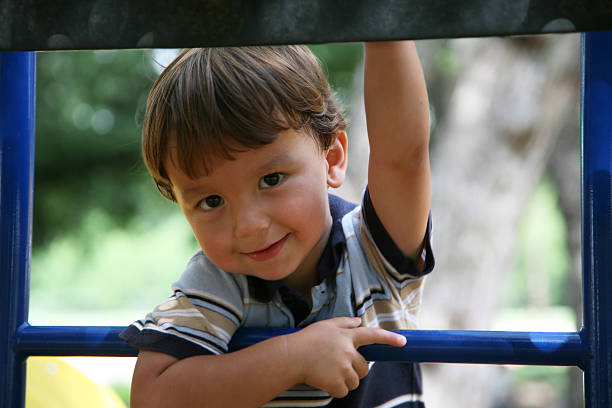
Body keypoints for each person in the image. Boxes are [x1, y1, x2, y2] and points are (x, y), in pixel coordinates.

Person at [121, 41, 434, 408]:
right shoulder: (218, 281)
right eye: (211, 201)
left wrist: (385, 29)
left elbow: (403, 157)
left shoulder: (373, 250)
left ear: (331, 158)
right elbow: (152, 396)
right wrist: (292, 357)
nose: (248, 226)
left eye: (271, 179)